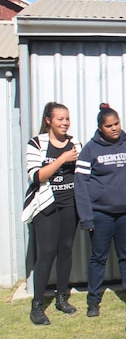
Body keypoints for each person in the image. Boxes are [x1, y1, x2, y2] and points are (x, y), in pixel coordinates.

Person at [75, 103, 126, 317]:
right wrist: (86, 218)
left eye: (116, 123)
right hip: (100, 214)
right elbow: (80, 185)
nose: (114, 128)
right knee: (98, 257)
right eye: (109, 125)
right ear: (100, 127)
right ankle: (93, 301)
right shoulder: (90, 149)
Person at [23, 102, 83, 325]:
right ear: (48, 120)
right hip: (46, 204)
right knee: (47, 252)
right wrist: (62, 159)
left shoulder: (74, 143)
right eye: (60, 119)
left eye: (67, 119)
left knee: (65, 250)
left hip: (70, 203)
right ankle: (37, 305)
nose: (65, 123)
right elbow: (36, 176)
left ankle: (61, 298)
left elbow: (83, 173)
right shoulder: (36, 144)